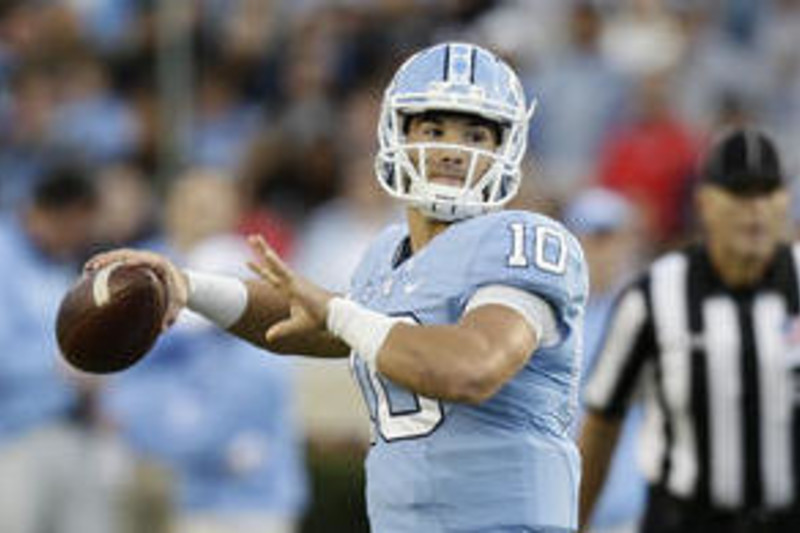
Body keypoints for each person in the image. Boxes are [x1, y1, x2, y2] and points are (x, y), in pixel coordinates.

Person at [87, 42, 588, 532]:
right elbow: (309, 324)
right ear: (398, 134)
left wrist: (339, 313)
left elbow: (470, 368)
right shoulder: (388, 254)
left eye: (476, 136)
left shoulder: (524, 241)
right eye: (434, 128)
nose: (452, 150)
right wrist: (188, 285)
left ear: (507, 148)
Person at [578, 127, 800, 533]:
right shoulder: (653, 296)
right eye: (739, 193)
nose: (755, 209)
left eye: (766, 192)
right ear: (705, 203)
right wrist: (576, 524)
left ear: (785, 200)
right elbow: (601, 422)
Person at [0, 167, 130, 533]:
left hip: (77, 430)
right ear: (66, 214)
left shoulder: (58, 262)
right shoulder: (5, 256)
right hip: (14, 436)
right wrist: (61, 365)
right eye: (80, 225)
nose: (83, 236)